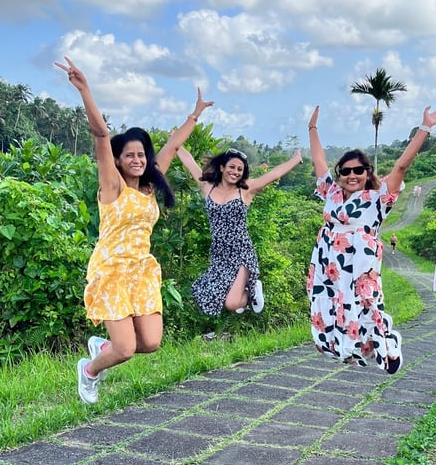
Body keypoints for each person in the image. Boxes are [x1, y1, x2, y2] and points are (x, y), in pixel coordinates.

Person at [55, 57, 213, 404]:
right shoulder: (111, 187)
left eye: (142, 154)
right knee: (125, 350)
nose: (138, 160)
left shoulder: (149, 188)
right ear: (118, 160)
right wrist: (85, 89)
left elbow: (172, 146)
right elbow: (100, 133)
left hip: (141, 270)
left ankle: (103, 348)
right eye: (130, 155)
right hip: (111, 270)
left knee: (151, 343)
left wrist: (195, 114)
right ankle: (90, 369)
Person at [307, 105, 436, 374]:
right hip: (328, 260)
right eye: (345, 171)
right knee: (334, 306)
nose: (351, 176)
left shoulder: (378, 196)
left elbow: (402, 165)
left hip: (360, 260)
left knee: (367, 301)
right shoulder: (332, 192)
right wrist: (312, 129)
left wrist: (425, 127)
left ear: (367, 172)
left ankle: (388, 344)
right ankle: (347, 349)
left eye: (358, 170)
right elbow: (318, 161)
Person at [177, 146, 303, 316]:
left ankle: (252, 289)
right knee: (205, 294)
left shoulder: (246, 189)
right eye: (232, 167)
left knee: (232, 304)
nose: (235, 172)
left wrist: (295, 159)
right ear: (222, 168)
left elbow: (274, 174)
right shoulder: (207, 187)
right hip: (220, 255)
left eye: (239, 169)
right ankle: (247, 290)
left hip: (242, 252)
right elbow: (189, 161)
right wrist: (175, 142)